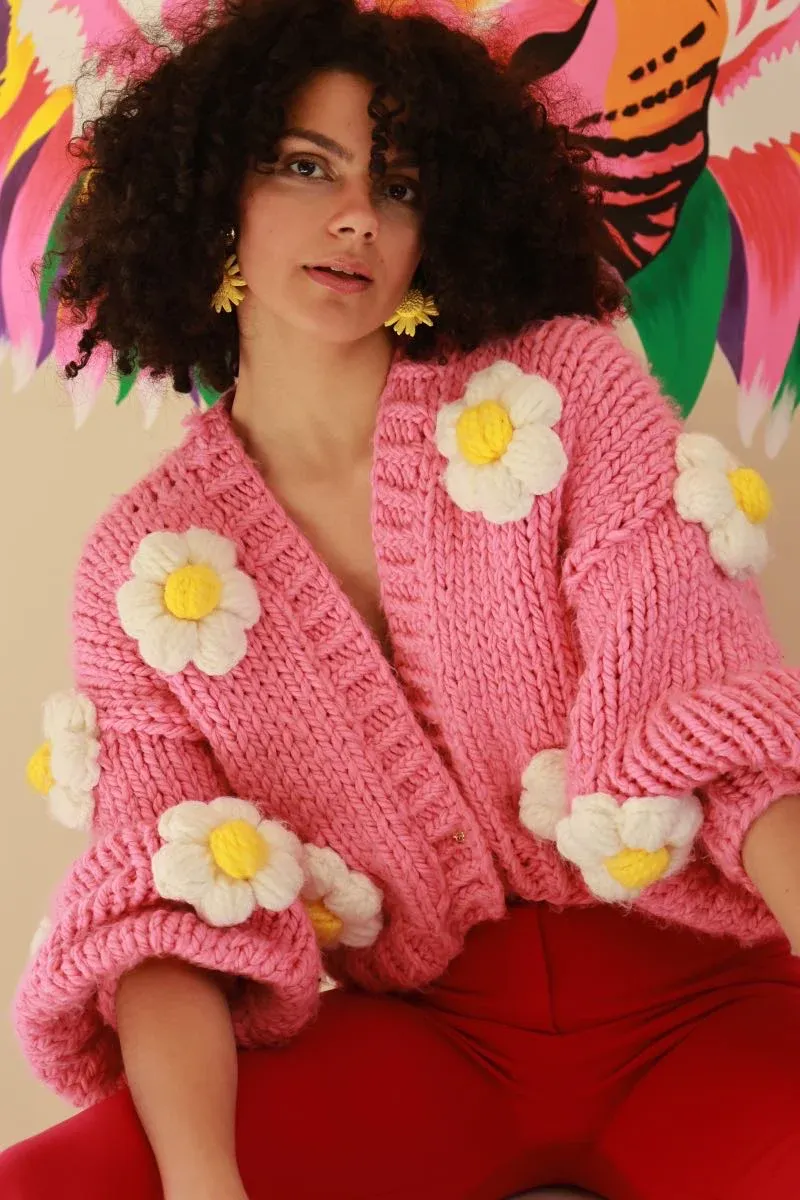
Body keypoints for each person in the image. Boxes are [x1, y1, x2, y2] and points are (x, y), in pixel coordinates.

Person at [3, 0, 800, 1197]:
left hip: (700, 1006)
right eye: (303, 165)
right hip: (433, 1044)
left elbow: (723, 733)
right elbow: (165, 915)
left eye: (399, 184)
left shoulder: (568, 393)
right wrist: (206, 1183)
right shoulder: (145, 569)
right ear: (212, 190)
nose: (354, 217)